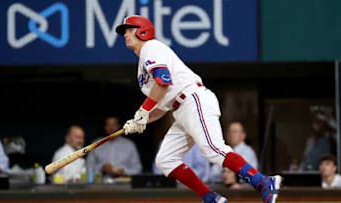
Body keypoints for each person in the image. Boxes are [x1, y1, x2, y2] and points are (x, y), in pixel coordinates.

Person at [117, 15, 282, 203]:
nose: (125, 35)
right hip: (181, 108)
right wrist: (142, 120)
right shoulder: (144, 60)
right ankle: (211, 198)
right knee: (165, 160)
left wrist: (143, 111)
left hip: (193, 99)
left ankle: (263, 182)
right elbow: (162, 104)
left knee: (213, 149)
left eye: (129, 30)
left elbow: (163, 81)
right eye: (124, 32)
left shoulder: (150, 47)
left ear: (142, 31)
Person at [300, 106, 337, 171]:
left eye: (319, 122)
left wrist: (329, 119)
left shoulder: (331, 140)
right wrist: (300, 171)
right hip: (310, 175)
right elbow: (304, 160)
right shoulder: (310, 141)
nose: (316, 126)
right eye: (315, 122)